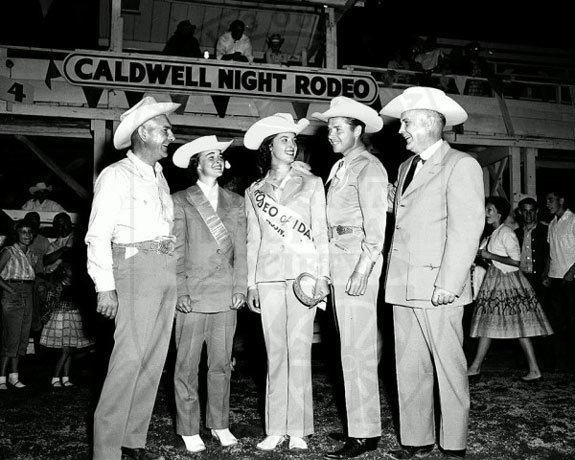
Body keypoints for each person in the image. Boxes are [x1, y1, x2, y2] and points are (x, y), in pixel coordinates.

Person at [380, 86, 485, 460]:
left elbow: (466, 228)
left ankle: (454, 442)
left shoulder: (461, 165)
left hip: (438, 285)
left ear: (429, 123)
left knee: (448, 367)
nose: (401, 130)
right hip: (403, 283)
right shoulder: (406, 167)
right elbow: (408, 216)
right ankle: (416, 438)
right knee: (409, 366)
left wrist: (449, 283)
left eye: (406, 123)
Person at [85, 96, 180, 460]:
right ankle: (106, 451)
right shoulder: (116, 175)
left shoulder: (159, 177)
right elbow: (97, 235)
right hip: (133, 269)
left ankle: (131, 439)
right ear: (144, 131)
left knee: (152, 359)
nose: (171, 135)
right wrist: (104, 287)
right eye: (165, 129)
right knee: (128, 359)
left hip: (162, 269)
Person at [244, 113, 330, 451]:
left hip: (302, 277)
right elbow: (253, 238)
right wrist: (251, 283)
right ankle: (275, 427)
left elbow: (320, 233)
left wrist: (324, 276)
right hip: (267, 278)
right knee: (274, 352)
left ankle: (298, 428)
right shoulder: (254, 191)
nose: (292, 145)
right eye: (284, 140)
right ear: (269, 148)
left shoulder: (311, 183)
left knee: (299, 352)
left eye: (294, 140)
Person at [311, 97, 387, 459]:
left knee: (358, 349)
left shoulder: (368, 168)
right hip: (338, 258)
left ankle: (365, 433)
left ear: (358, 131)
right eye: (329, 129)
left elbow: (376, 227)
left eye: (339, 128)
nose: (331, 135)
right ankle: (359, 423)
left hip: (357, 259)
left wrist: (363, 267)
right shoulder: (341, 167)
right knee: (347, 349)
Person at [170, 135, 247, 453]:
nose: (217, 160)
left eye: (219, 156)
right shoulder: (180, 200)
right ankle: (188, 428)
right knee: (186, 366)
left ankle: (219, 423)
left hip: (226, 294)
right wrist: (180, 289)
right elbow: (175, 248)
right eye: (209, 156)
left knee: (220, 365)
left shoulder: (236, 201)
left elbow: (242, 248)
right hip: (194, 295)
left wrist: (240, 286)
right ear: (196, 164)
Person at [467, 196, 553, 382]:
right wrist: (485, 257)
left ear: (499, 213)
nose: (486, 213)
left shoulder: (506, 232)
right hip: (495, 281)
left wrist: (490, 255)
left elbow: (516, 262)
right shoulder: (495, 233)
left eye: (489, 210)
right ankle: (475, 367)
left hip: (507, 283)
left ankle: (534, 370)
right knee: (488, 326)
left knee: (518, 327)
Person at [39, 261, 95, 387]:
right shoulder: (58, 285)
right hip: (61, 317)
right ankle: (55, 378)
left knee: (70, 349)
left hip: (73, 316)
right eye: (70, 269)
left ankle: (65, 378)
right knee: (66, 350)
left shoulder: (76, 284)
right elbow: (50, 301)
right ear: (64, 271)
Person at [0, 220, 39, 390]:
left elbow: (34, 276)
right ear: (16, 234)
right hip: (12, 293)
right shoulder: (9, 251)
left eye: (29, 232)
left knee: (22, 337)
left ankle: (13, 376)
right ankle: (1, 378)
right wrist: (10, 289)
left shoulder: (31, 253)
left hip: (28, 293)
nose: (27, 235)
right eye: (23, 232)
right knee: (11, 338)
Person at [542, 189, 575, 372]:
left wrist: (571, 272)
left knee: (572, 322)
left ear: (561, 200)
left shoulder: (573, 220)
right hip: (555, 279)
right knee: (557, 323)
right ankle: (562, 363)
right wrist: (546, 273)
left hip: (571, 280)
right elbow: (551, 251)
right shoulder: (552, 224)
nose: (547, 204)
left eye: (550, 200)